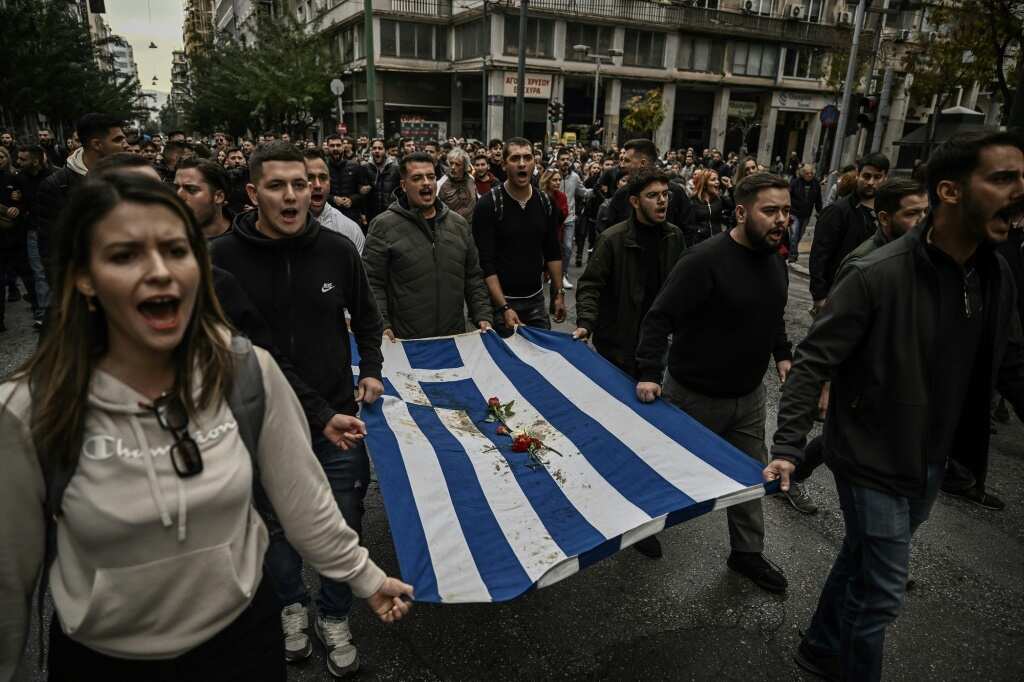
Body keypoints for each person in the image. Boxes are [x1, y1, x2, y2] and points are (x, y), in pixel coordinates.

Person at [0, 173, 412, 682]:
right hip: (103, 660)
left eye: (176, 250)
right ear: (83, 276)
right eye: (125, 255)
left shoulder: (248, 373)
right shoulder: (31, 407)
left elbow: (304, 500)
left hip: (243, 646)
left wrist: (364, 577)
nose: (160, 273)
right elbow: (7, 579)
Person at [766, 130, 1024, 682]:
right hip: (870, 457)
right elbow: (812, 361)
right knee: (881, 596)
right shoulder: (875, 274)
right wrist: (787, 448)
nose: (1018, 192)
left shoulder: (993, 272)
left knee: (862, 559)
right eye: (1003, 179)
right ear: (950, 191)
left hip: (931, 458)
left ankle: (818, 648)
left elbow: (1011, 362)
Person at [211, 142, 391, 677]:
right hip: (259, 423)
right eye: (277, 185)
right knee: (275, 528)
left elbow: (366, 315)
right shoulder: (220, 259)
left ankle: (335, 616)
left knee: (344, 522)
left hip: (337, 418)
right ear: (252, 193)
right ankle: (291, 606)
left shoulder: (338, 250)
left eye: (301, 184)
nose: (293, 195)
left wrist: (374, 367)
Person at [635, 173, 794, 593]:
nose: (781, 220)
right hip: (692, 397)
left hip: (748, 396)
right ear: (742, 212)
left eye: (786, 211)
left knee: (751, 478)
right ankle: (640, 527)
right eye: (770, 210)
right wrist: (649, 373)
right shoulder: (703, 260)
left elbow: (773, 314)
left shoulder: (776, 259)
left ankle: (746, 553)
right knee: (664, 471)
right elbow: (659, 317)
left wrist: (782, 354)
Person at [573, 170, 686, 555]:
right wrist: (586, 323)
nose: (662, 201)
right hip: (617, 350)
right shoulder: (613, 239)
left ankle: (641, 522)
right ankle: (607, 507)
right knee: (616, 432)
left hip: (656, 352)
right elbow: (590, 285)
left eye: (665, 195)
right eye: (653, 195)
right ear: (636, 201)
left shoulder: (674, 238)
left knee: (648, 436)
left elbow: (682, 290)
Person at [363, 151, 492, 340]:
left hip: (453, 340)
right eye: (417, 178)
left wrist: (483, 316)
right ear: (403, 186)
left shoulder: (458, 225)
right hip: (405, 343)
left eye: (431, 177)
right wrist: (382, 324)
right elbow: (372, 282)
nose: (426, 183)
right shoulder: (383, 226)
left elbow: (473, 277)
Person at [32, 113, 128, 324]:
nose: (126, 144)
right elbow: (51, 248)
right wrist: (66, 292)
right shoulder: (56, 186)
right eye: (118, 139)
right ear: (97, 144)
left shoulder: (130, 177)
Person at [472, 138, 565, 337]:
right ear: (504, 164)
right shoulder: (488, 205)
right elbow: (485, 263)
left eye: (527, 158)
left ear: (535, 163)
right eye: (515, 158)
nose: (522, 163)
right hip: (500, 303)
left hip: (536, 300)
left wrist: (558, 294)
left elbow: (552, 250)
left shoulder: (545, 202)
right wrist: (504, 308)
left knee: (540, 360)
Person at [809, 153, 889, 315]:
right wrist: (819, 296)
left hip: (873, 296)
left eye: (877, 177)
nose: (871, 182)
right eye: (866, 176)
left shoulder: (889, 212)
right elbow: (820, 254)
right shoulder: (838, 211)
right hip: (839, 293)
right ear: (858, 175)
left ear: (885, 178)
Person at [596, 139, 695, 237]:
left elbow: (688, 230)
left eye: (627, 160)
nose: (622, 165)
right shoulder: (622, 193)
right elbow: (610, 229)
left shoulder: (676, 192)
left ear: (643, 163)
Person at [304, 149, 365, 253]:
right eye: (309, 178)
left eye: (323, 178)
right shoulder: (283, 229)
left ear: (330, 182)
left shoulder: (350, 230)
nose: (318, 185)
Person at [556, 148, 592, 287]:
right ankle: (550, 273)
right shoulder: (551, 175)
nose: (566, 162)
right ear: (558, 161)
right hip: (553, 218)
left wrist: (597, 188)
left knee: (568, 247)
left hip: (569, 218)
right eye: (563, 159)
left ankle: (563, 275)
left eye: (568, 160)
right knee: (553, 247)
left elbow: (583, 192)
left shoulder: (575, 177)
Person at [174, 157, 233, 239]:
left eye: (191, 189)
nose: (179, 196)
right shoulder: (169, 238)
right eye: (176, 188)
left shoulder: (246, 237)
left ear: (219, 197)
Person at [689, 168, 735, 246]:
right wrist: (698, 232)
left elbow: (735, 205)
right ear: (705, 184)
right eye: (713, 180)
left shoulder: (719, 199)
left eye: (717, 179)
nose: (717, 182)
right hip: (700, 244)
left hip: (718, 242)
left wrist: (730, 187)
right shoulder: (693, 201)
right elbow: (689, 225)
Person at [325, 134, 363, 225]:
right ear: (327, 148)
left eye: (338, 145)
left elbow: (362, 193)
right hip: (329, 215)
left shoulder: (355, 166)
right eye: (332, 146)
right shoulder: (323, 168)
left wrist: (351, 200)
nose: (335, 148)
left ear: (343, 147)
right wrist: (333, 199)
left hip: (351, 215)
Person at [788, 164, 823, 263]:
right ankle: (793, 255)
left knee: (800, 235)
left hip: (806, 215)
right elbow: (788, 195)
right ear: (803, 174)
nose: (810, 175)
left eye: (811, 173)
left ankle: (790, 249)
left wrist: (820, 212)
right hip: (794, 213)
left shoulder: (816, 184)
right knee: (794, 234)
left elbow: (818, 200)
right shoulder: (796, 182)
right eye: (807, 173)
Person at [364, 138, 400, 225]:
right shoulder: (365, 168)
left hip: (391, 214)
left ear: (386, 151)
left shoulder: (395, 169)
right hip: (372, 216)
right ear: (371, 151)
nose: (377, 151)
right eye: (374, 148)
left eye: (380, 148)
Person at [436, 147, 477, 222]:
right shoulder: (441, 183)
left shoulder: (471, 180)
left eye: (457, 164)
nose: (453, 167)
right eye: (451, 163)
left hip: (470, 227)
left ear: (464, 166)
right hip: (451, 227)